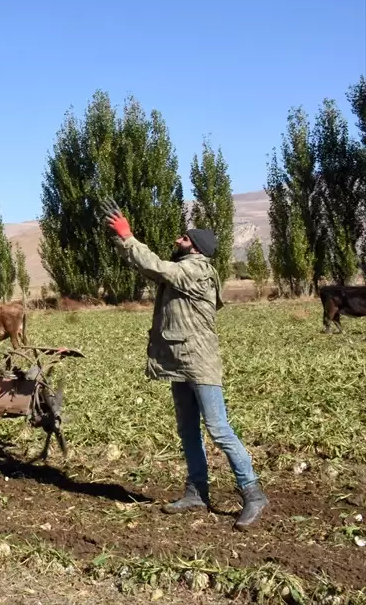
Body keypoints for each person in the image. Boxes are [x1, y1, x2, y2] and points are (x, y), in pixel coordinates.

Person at [101, 198, 267, 530]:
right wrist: (122, 241)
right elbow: (148, 266)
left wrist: (129, 235)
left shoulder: (198, 270)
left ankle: (253, 493)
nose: (178, 240)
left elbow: (158, 268)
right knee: (188, 430)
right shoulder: (186, 269)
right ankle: (196, 492)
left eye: (184, 238)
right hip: (179, 362)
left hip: (200, 362)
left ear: (197, 248)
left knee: (219, 430)